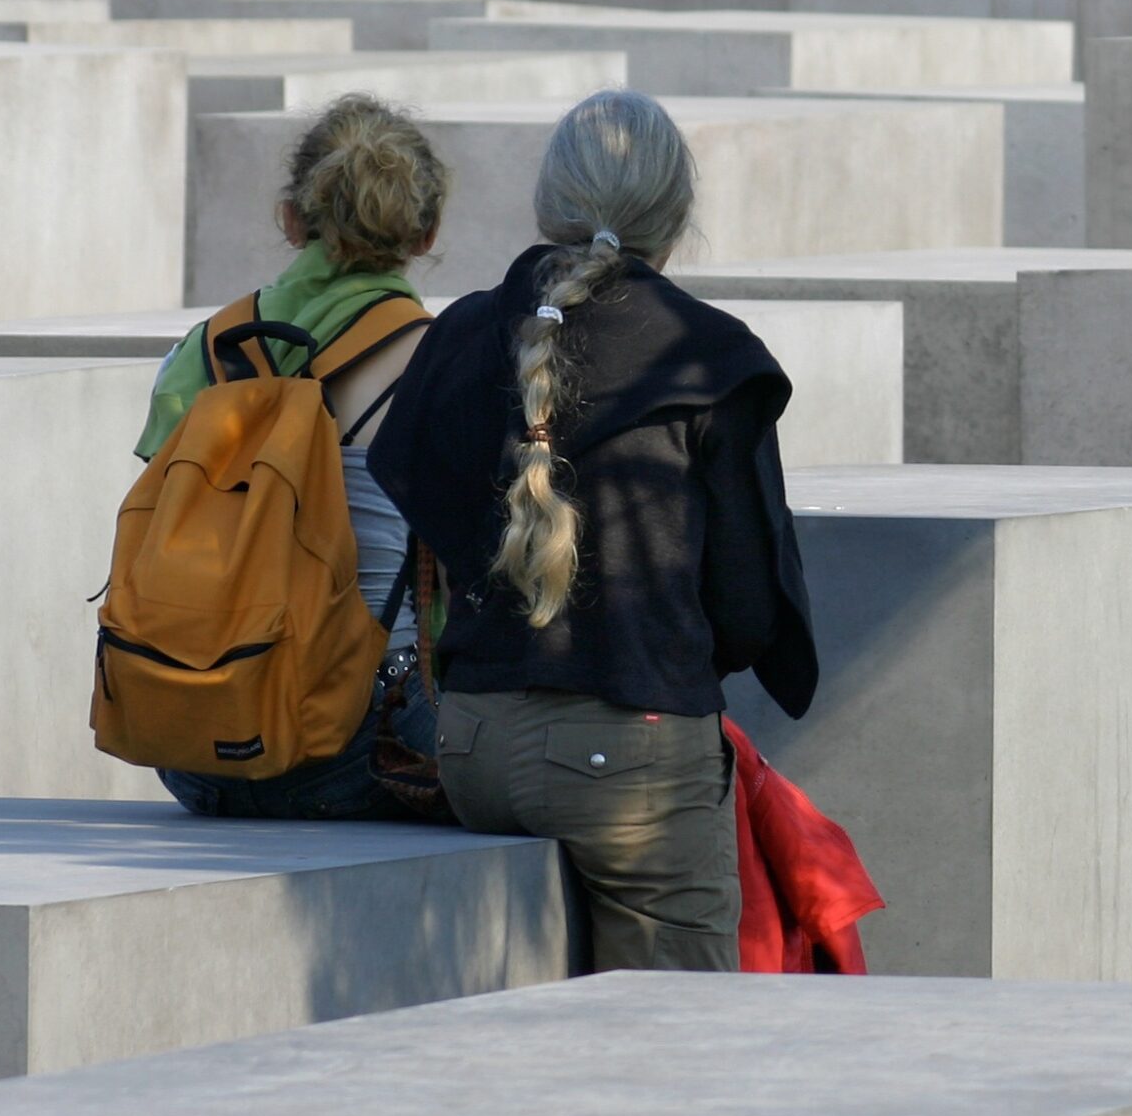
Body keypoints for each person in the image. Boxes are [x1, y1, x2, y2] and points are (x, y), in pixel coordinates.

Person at [370, 89, 818, 971]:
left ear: (549, 203)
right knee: (671, 1045)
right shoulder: (708, 357)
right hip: (639, 757)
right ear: (676, 214)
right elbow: (749, 613)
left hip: (472, 751)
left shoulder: (460, 332)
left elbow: (419, 509)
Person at [139, 93, 446, 820]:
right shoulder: (441, 362)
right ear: (426, 232)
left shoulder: (203, 351)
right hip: (362, 742)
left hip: (190, 745)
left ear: (289, 217)